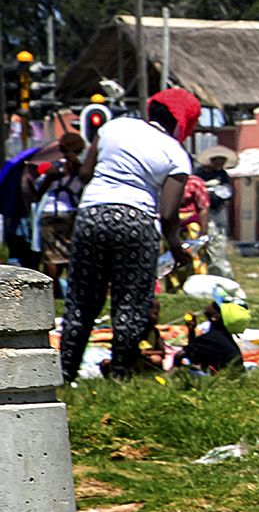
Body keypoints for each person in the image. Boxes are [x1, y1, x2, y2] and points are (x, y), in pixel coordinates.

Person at [58, 88, 200, 382]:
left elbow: (86, 173)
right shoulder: (177, 154)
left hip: (92, 214)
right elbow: (169, 213)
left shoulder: (113, 126)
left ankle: (64, 374)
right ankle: (120, 375)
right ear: (184, 122)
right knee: (130, 303)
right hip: (137, 221)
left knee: (82, 300)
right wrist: (175, 248)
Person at [34, 133, 88, 287]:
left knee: (51, 257)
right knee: (73, 255)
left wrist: (38, 195)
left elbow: (41, 191)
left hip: (50, 211)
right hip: (72, 212)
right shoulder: (81, 169)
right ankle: (73, 290)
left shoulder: (54, 168)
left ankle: (52, 291)